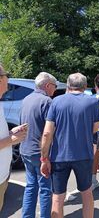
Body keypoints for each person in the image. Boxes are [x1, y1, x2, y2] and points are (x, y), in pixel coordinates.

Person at [40, 73, 99, 218]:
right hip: (84, 155)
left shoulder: (56, 101)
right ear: (85, 86)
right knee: (86, 194)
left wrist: (44, 158)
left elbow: (47, 133)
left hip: (59, 156)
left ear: (68, 85)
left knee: (57, 197)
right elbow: (95, 128)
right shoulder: (93, 102)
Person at [20, 72, 57, 218]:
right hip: (39, 151)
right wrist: (45, 157)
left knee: (30, 186)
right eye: (54, 86)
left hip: (25, 149)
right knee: (45, 189)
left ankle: (27, 216)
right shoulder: (47, 102)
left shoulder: (26, 99)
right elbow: (48, 132)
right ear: (48, 85)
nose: (55, 90)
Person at [0, 65, 28, 211]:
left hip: (3, 176)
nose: (9, 79)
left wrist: (11, 133)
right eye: (7, 75)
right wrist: (11, 140)